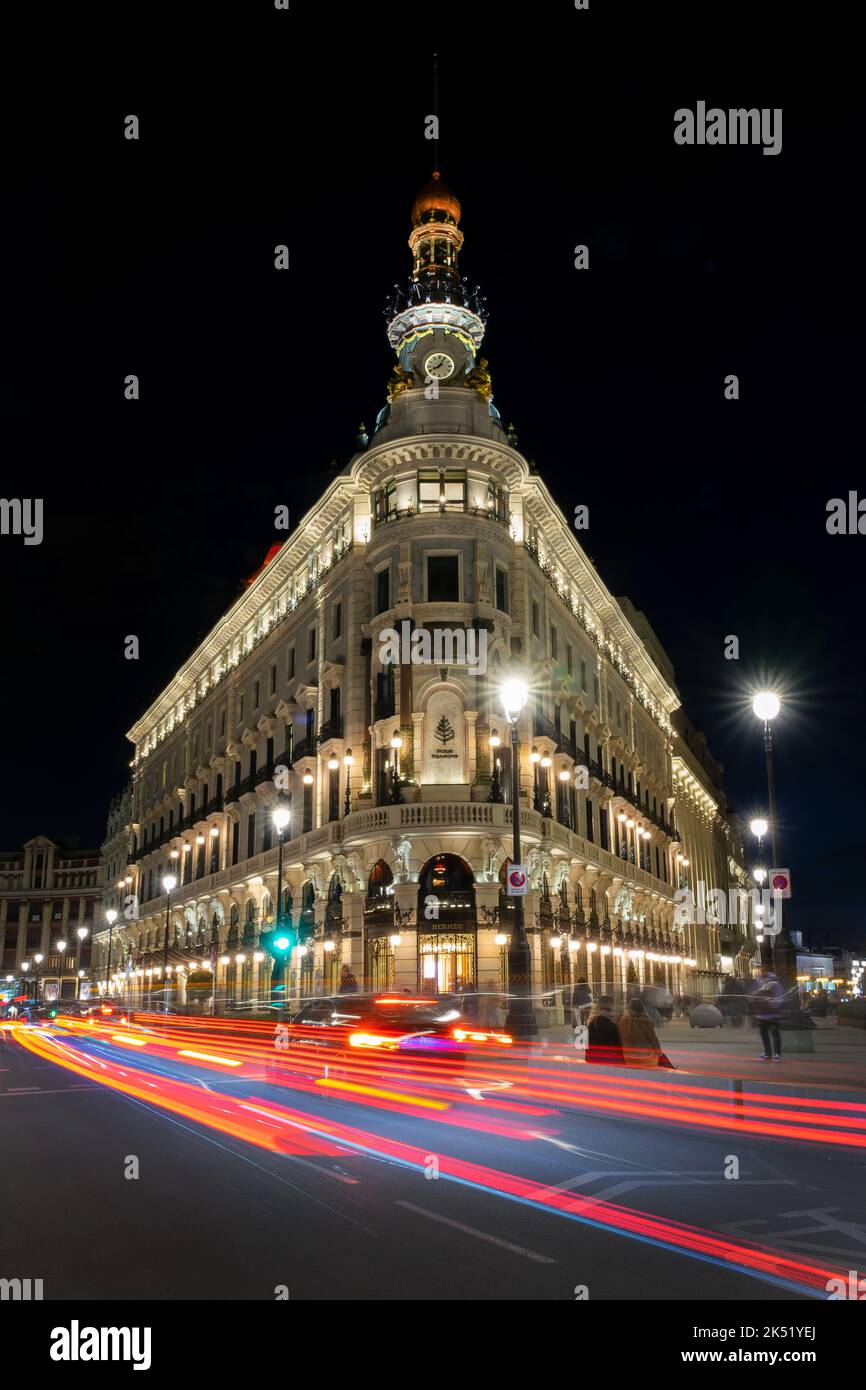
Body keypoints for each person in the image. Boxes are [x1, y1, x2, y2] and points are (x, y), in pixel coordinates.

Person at [618, 998, 664, 1067]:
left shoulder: (622, 1020)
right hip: (644, 1057)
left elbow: (620, 1038)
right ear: (641, 1008)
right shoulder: (644, 1020)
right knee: (656, 1059)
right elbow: (652, 1038)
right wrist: (659, 1053)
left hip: (627, 1056)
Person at [752, 968, 784, 1060]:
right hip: (762, 1014)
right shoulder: (760, 983)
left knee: (774, 1034)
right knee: (764, 1034)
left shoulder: (774, 984)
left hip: (772, 1014)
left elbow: (780, 998)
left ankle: (777, 1053)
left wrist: (771, 1003)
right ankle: (768, 1053)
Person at [585, 995, 623, 1065]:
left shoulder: (592, 1022)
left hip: (595, 1061)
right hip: (607, 1062)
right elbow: (616, 1046)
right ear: (610, 1006)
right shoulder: (609, 1025)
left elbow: (588, 1047)